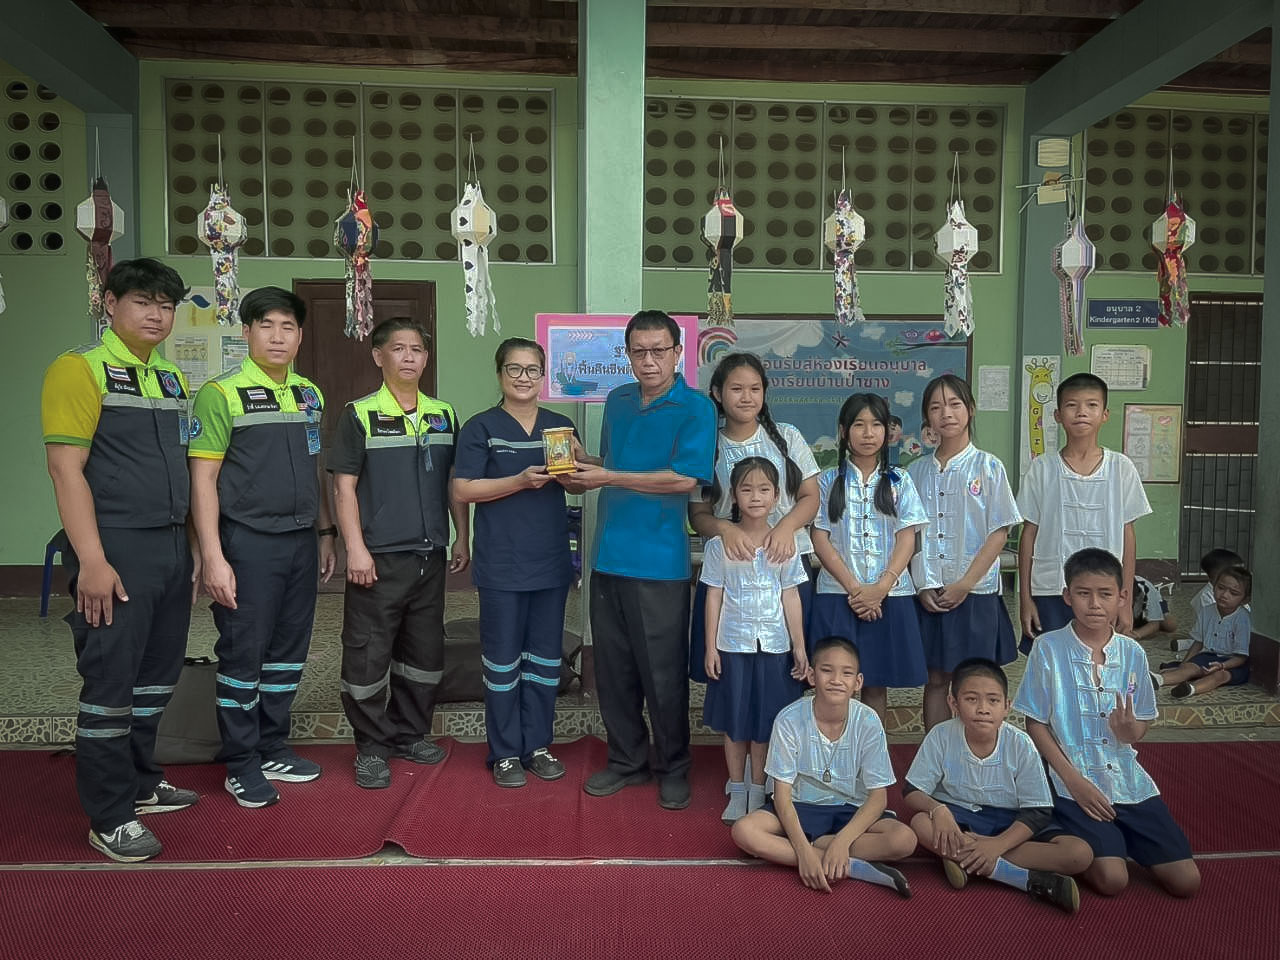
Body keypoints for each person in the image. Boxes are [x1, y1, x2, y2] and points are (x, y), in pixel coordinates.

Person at [41, 258, 200, 861]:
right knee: (111, 682)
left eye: (166, 305)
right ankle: (109, 815)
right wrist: (91, 559)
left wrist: (191, 553)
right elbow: (66, 469)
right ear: (110, 304)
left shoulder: (170, 378)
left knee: (157, 677)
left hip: (169, 546)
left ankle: (140, 780)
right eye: (143, 301)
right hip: (114, 546)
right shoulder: (79, 368)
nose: (156, 314)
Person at [190, 286, 337, 808]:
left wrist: (324, 532)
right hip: (246, 543)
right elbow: (202, 480)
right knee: (243, 653)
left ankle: (273, 746)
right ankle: (241, 763)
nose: (278, 337)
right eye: (266, 326)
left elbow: (315, 468)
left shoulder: (309, 394)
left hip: (300, 541)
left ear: (300, 336)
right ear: (247, 331)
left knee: (287, 654)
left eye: (287, 327)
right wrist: (213, 557)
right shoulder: (221, 393)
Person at [567, 310, 716, 810]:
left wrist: (607, 476)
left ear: (678, 353)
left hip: (660, 563)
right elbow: (614, 465)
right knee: (614, 670)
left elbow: (684, 478)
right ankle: (626, 760)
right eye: (639, 351)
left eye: (659, 351)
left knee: (663, 674)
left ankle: (673, 765)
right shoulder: (618, 400)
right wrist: (583, 464)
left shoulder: (696, 408)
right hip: (608, 556)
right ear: (627, 354)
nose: (649, 361)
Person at [328, 317, 469, 789]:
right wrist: (355, 548)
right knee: (368, 654)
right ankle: (371, 746)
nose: (409, 357)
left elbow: (454, 483)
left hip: (430, 555)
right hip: (378, 558)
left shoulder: (443, 414)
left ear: (426, 358)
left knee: (423, 653)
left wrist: (461, 536)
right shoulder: (359, 414)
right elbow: (343, 488)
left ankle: (410, 734)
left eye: (417, 350)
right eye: (399, 348)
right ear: (378, 356)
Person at [1013, 548, 1200, 898]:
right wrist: (1074, 782)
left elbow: (1139, 724)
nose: (1095, 604)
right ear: (1067, 596)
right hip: (1071, 783)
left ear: (1122, 597)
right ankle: (1063, 834)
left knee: (1186, 881)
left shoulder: (1132, 653)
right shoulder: (1048, 648)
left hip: (1127, 781)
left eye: (1105, 594)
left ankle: (1115, 837)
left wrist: (1131, 731)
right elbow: (1034, 722)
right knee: (1113, 880)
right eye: (1084, 593)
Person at [453, 337, 579, 789]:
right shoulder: (481, 427)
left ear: (543, 376)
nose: (524, 378)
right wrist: (519, 481)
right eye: (514, 369)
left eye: (532, 370)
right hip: (502, 563)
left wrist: (579, 470)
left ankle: (538, 745)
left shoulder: (559, 426)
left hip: (550, 561)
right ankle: (505, 751)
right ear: (500, 373)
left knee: (544, 660)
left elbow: (575, 486)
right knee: (503, 662)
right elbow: (463, 488)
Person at [730, 636, 916, 897]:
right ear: (811, 676)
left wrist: (841, 842)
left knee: (904, 840)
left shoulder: (868, 720)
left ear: (858, 682)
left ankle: (826, 848)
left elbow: (878, 798)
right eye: (827, 670)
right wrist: (804, 853)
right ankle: (849, 866)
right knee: (744, 831)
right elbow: (782, 796)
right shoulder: (789, 719)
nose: (836, 680)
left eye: (847, 673)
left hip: (851, 808)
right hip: (800, 805)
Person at [903, 658, 1091, 913]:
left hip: (1012, 822)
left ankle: (961, 858)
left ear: (1007, 706)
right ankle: (1019, 877)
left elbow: (1038, 811)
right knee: (920, 823)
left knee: (1079, 854)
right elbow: (912, 791)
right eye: (971, 699)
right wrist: (939, 809)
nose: (983, 709)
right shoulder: (941, 735)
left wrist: (997, 845)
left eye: (993, 700)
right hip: (960, 817)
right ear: (953, 703)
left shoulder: (1020, 743)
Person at [689, 352, 819, 684]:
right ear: (717, 393)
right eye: (736, 389)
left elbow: (811, 497)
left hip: (786, 564)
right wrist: (724, 529)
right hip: (730, 570)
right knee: (731, 673)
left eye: (755, 389)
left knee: (786, 670)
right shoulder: (707, 446)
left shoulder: (787, 437)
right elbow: (698, 513)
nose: (747, 397)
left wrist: (786, 527)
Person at [907, 375, 1020, 731]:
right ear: (927, 417)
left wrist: (965, 584)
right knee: (935, 679)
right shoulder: (915, 472)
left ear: (970, 410)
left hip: (975, 594)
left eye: (955, 404)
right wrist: (922, 585)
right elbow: (910, 535)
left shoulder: (988, 466)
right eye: (936, 407)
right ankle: (936, 754)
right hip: (930, 593)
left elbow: (999, 532)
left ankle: (977, 753)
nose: (946, 413)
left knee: (976, 682)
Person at [702, 457, 809, 822]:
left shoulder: (785, 543)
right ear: (733, 496)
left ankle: (758, 787)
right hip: (733, 645)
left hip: (774, 646)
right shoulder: (720, 545)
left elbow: (791, 596)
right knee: (735, 722)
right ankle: (737, 787)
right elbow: (713, 596)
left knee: (765, 723)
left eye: (764, 489)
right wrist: (710, 647)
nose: (755, 497)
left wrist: (799, 646)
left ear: (776, 495)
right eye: (746, 489)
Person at [810, 393, 928, 722]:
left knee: (875, 682)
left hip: (890, 596)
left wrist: (881, 588)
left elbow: (907, 537)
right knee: (834, 684)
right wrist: (856, 590)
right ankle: (833, 746)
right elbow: (819, 537)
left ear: (887, 432)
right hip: (838, 596)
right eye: (859, 425)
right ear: (843, 431)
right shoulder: (826, 480)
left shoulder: (900, 479)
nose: (868, 433)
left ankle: (871, 749)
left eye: (876, 425)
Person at [1017, 373, 1150, 652]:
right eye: (1071, 405)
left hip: (1104, 592)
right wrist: (1025, 599)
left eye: (1091, 405)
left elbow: (1128, 536)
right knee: (1052, 663)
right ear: (1057, 415)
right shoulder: (1042, 468)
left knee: (1100, 662)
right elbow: (1028, 535)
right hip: (1051, 589)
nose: (1081, 412)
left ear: (1105, 414)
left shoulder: (1121, 468)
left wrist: (1124, 601)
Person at [1152, 565, 1251, 700]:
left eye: (1233, 593)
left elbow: (1241, 657)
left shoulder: (1243, 619)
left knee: (1219, 676)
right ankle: (1158, 679)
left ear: (1245, 599)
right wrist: (1183, 665)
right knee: (1189, 668)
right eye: (1221, 588)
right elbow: (1198, 643)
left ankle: (1191, 689)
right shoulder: (1207, 611)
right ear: (1213, 586)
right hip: (1207, 657)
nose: (1224, 595)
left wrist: (1222, 666)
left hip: (1232, 663)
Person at [1172, 548, 1247, 653]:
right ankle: (1188, 643)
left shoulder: (1238, 593)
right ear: (1217, 575)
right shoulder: (1205, 597)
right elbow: (1213, 626)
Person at [1130, 574, 1176, 643]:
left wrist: (1137, 634)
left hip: (1151, 599)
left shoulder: (1145, 590)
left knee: (1170, 626)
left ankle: (1159, 616)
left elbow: (1155, 622)